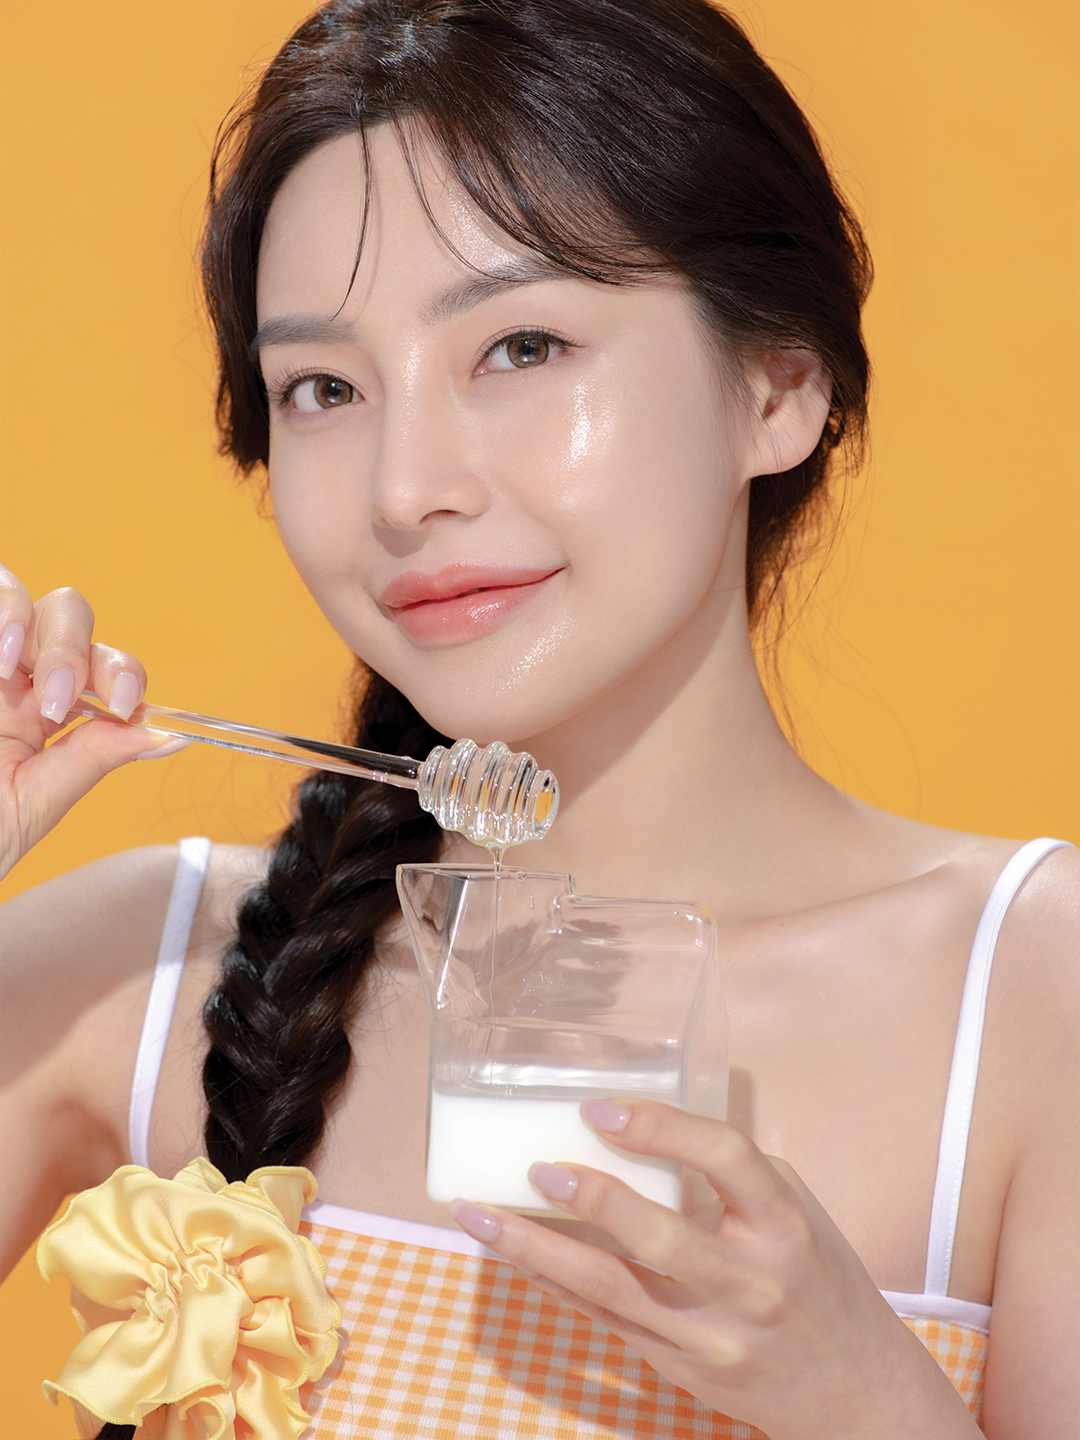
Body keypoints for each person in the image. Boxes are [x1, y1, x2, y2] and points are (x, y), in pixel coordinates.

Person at [1, 0, 1076, 1435]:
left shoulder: (1035, 1001)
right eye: (323, 387)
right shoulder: (141, 974)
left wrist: (865, 1398)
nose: (405, 488)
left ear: (779, 383)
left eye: (520, 347)